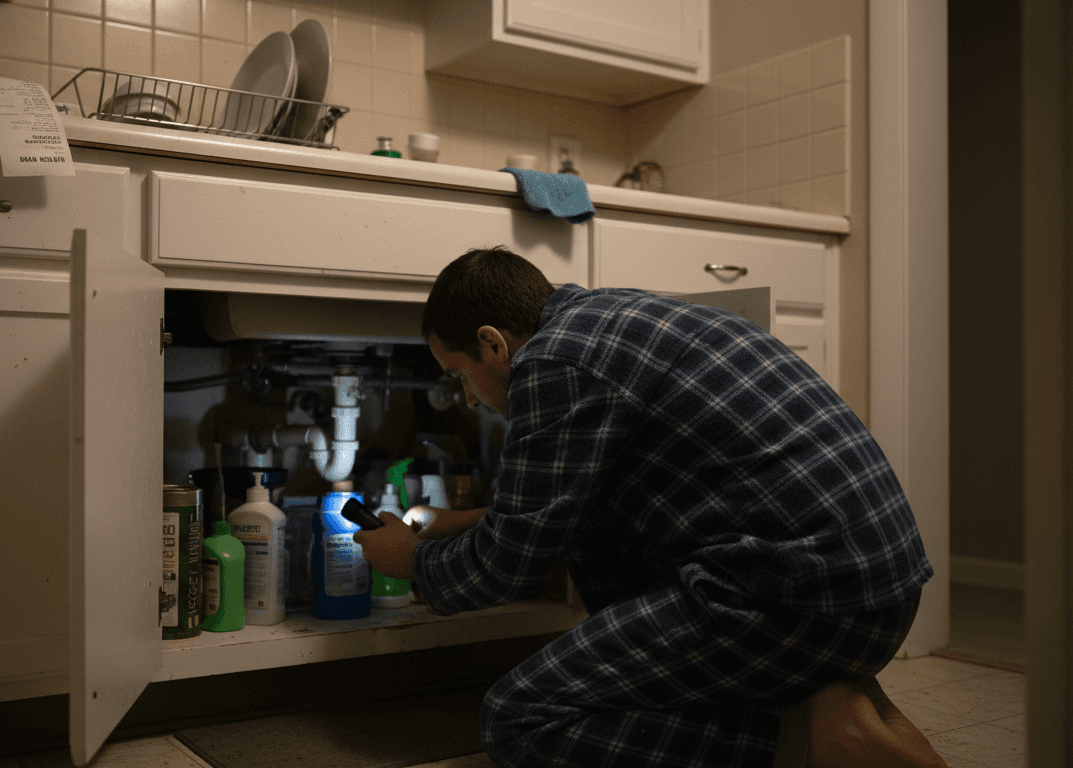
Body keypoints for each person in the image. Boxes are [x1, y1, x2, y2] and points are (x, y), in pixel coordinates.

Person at [355, 246, 945, 767]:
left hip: (803, 602)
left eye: (461, 376)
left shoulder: (551, 362)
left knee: (521, 718)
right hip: (872, 584)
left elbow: (501, 569)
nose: (470, 399)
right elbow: (569, 504)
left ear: (492, 343)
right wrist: (460, 522)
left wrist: (411, 562)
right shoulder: (608, 321)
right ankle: (826, 700)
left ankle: (810, 741)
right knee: (603, 540)